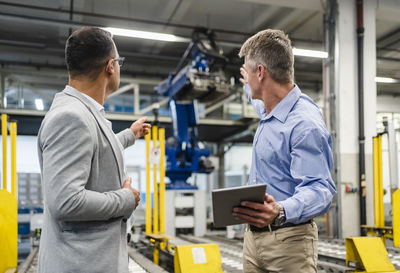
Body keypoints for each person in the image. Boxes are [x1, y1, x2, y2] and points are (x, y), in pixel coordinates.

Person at [37, 27, 151, 273]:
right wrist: (125, 200)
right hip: (81, 264)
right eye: (119, 62)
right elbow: (66, 201)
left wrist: (130, 135)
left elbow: (97, 150)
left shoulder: (82, 112)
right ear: (110, 66)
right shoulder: (71, 117)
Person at [233, 29, 337, 272]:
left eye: (248, 72)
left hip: (289, 244)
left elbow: (320, 189)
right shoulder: (270, 108)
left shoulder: (304, 125)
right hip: (253, 240)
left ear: (261, 72)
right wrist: (250, 85)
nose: (245, 79)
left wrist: (279, 211)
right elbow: (258, 100)